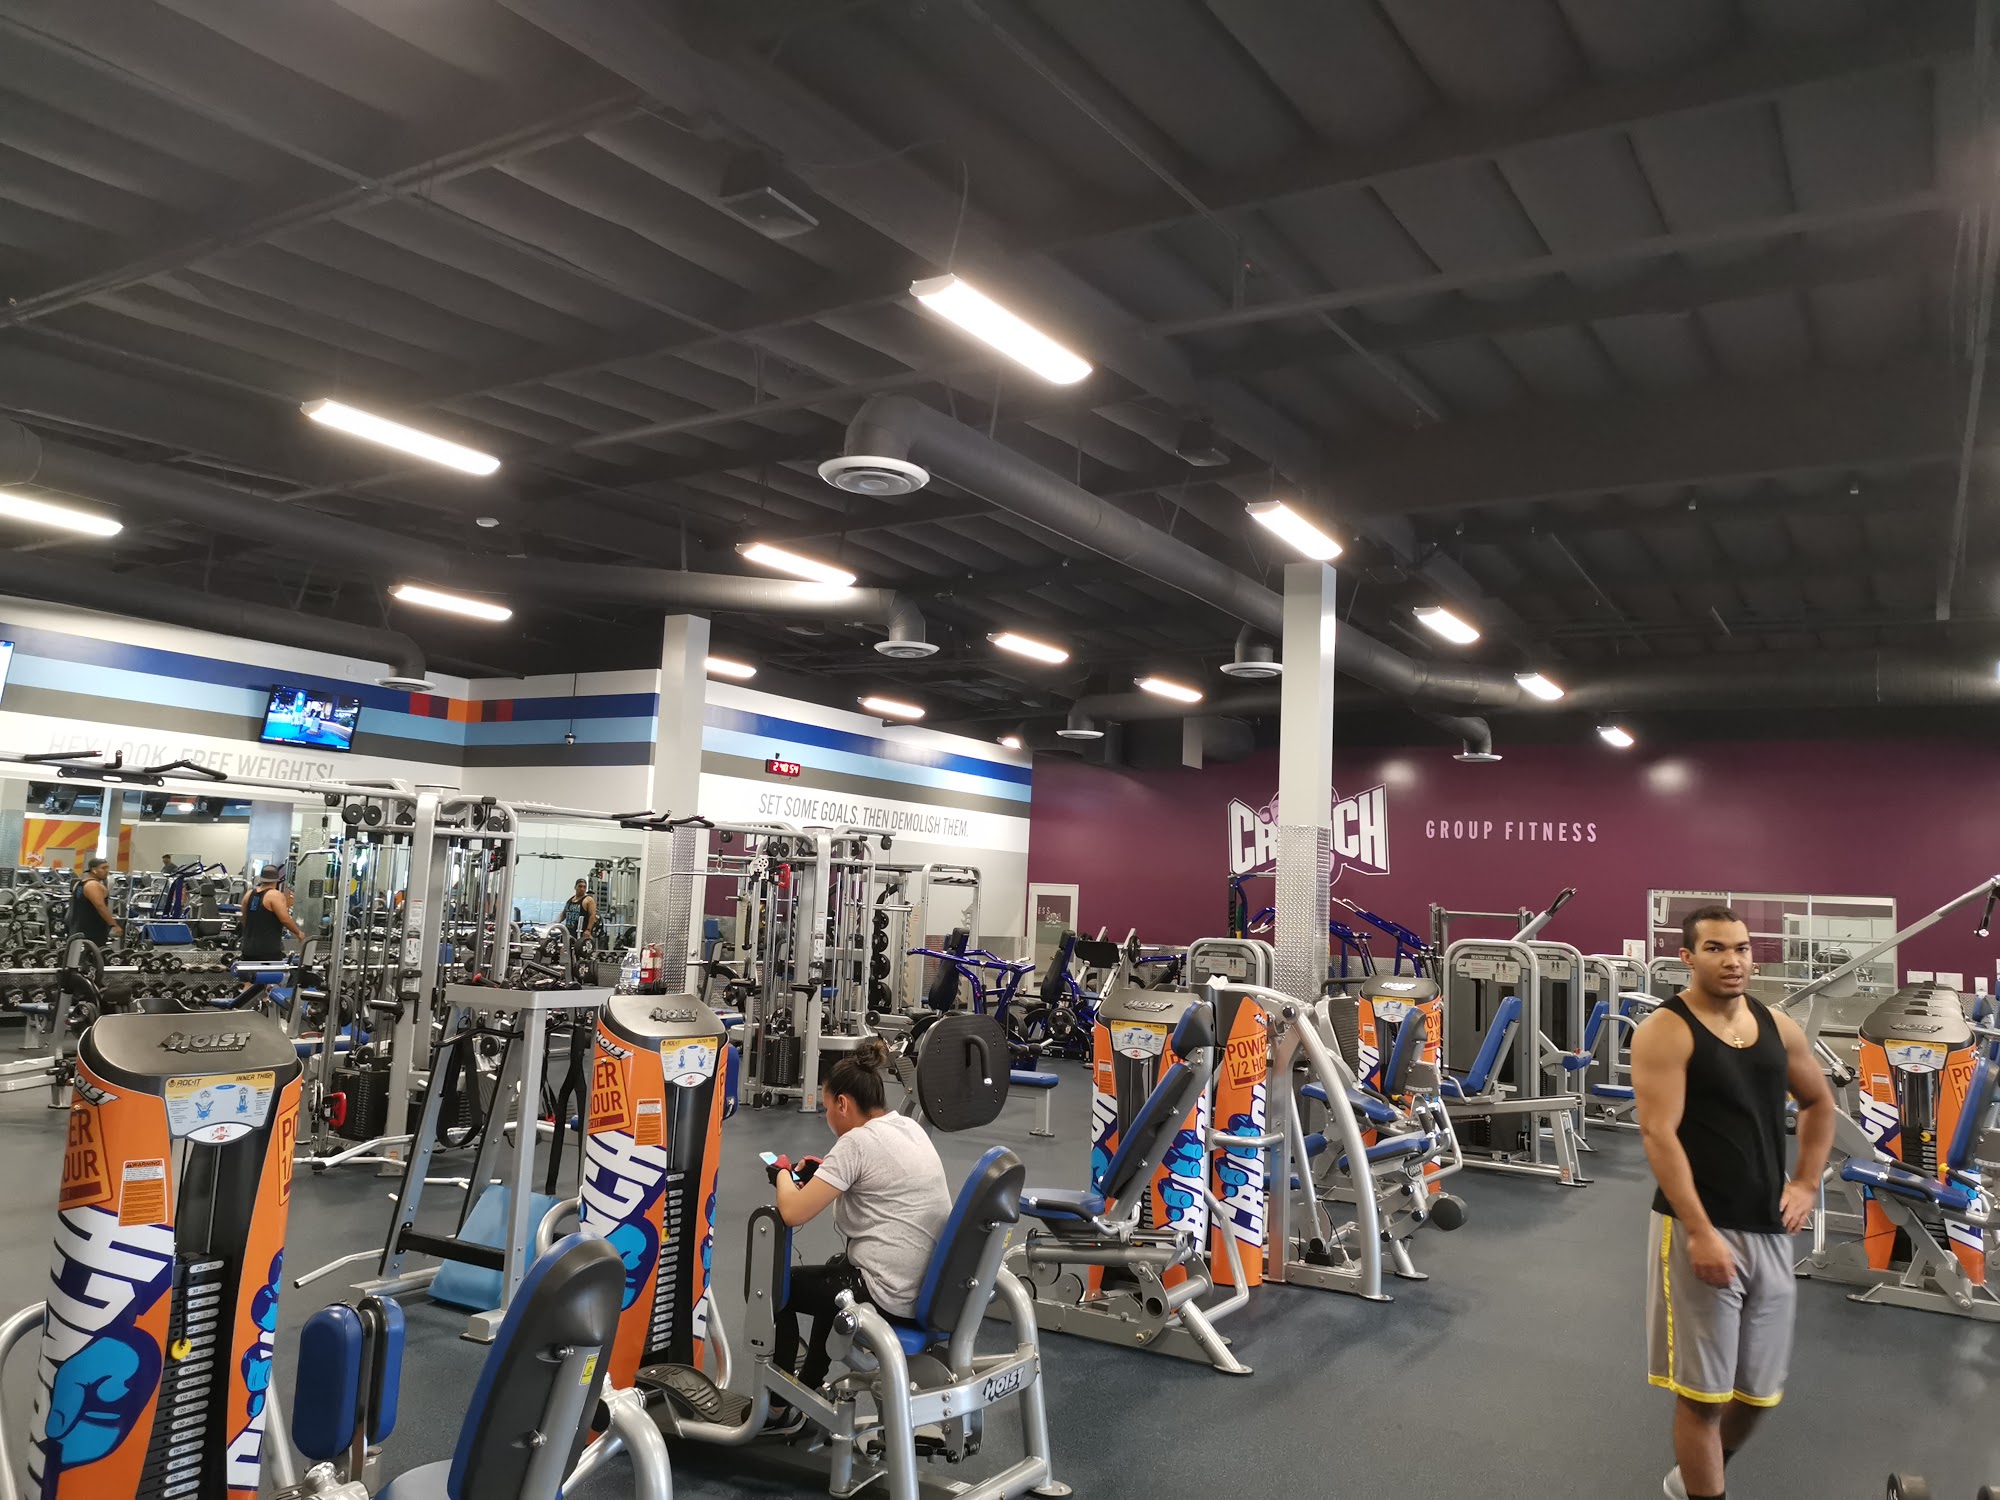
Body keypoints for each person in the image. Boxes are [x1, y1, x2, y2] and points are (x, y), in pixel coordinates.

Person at [1631, 905, 1835, 1500]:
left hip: (1768, 1226)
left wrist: (1806, 1182)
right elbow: (1658, 1134)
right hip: (1698, 1225)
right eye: (1716, 948)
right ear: (1687, 957)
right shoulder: (1666, 1030)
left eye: (1741, 948)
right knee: (1702, 1396)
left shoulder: (1777, 1026)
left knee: (1760, 1394)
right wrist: (1699, 1231)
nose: (1733, 960)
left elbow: (1819, 1103)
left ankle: (1693, 1478)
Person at [767, 1037, 951, 1425]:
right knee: (836, 1270)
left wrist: (781, 1173)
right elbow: (875, 1180)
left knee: (773, 1287)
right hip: (924, 1286)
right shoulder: (907, 1126)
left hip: (889, 1293)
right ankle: (807, 1388)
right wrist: (827, 1174)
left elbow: (792, 1211)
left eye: (826, 1108)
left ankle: (779, 1403)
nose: (827, 1117)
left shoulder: (856, 1144)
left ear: (843, 1104)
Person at [240, 864, 305, 963]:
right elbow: (285, 920)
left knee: (249, 972)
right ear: (276, 880)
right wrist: (298, 933)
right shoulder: (275, 895)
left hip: (247, 949)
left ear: (261, 878)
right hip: (267, 951)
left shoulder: (249, 894)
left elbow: (244, 919)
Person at [70, 856, 121, 946]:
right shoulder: (92, 885)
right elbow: (100, 906)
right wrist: (114, 925)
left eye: (107, 868)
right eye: (103, 868)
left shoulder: (79, 883)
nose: (107, 871)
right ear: (94, 870)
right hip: (91, 932)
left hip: (79, 930)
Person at [560, 878, 598, 948]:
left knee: (578, 952)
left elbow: (592, 916)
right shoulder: (570, 900)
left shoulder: (588, 900)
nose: (582, 889)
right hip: (568, 931)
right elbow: (563, 914)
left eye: (584, 887)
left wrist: (588, 930)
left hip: (581, 932)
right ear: (575, 887)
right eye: (580, 886)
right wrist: (556, 923)